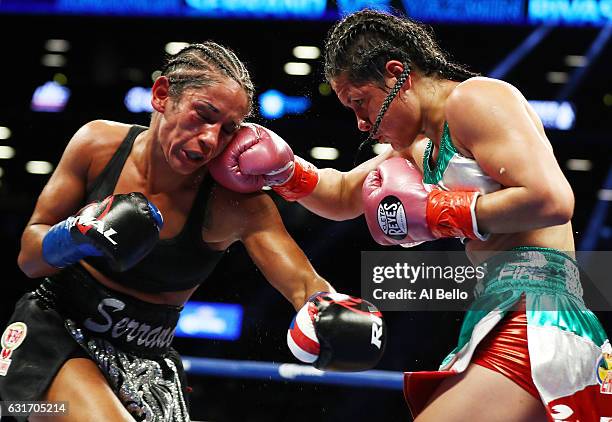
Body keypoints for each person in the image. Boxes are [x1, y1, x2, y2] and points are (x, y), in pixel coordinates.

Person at [208, 10, 612, 421]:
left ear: (397, 74)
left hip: (538, 310)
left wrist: (440, 212)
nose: (362, 123)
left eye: (361, 102)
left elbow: (553, 199)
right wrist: (285, 171)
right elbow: (345, 193)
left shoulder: (476, 99)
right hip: (503, 310)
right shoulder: (422, 145)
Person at [0, 41, 386, 422]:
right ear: (162, 95)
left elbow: (304, 285)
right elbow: (29, 259)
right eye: (203, 115)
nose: (209, 140)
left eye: (228, 130)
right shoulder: (98, 146)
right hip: (49, 343)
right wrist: (78, 232)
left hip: (148, 366)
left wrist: (330, 308)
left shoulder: (234, 204)